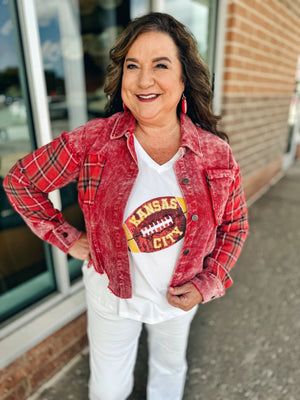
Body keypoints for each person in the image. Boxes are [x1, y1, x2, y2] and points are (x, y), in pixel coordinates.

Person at [3, 12, 248, 400]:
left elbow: (234, 226)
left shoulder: (215, 154)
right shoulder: (94, 141)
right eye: (132, 66)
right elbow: (22, 181)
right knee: (109, 386)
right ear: (122, 78)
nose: (144, 79)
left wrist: (208, 283)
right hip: (111, 298)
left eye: (160, 65)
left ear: (184, 78)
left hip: (180, 297)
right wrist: (67, 238)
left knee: (169, 370)